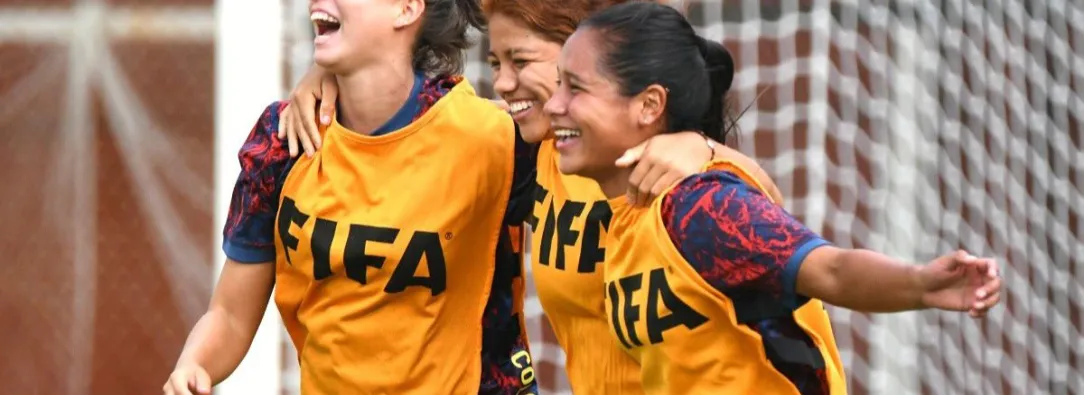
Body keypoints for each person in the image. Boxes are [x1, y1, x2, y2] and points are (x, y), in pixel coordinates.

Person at [279, 2, 842, 394]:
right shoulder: (535, 156)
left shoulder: (687, 177)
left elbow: (794, 237)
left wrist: (704, 148)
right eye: (496, 63)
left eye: (521, 62)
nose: (502, 84)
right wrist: (330, 74)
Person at [544, 2, 1003, 394]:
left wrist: (921, 284)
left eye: (575, 88)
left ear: (649, 105)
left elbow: (832, 269)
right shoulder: (628, 218)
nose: (553, 105)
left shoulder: (700, 208)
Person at [163, 0, 540, 394]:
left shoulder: (490, 137)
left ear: (407, 9)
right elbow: (229, 314)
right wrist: (194, 365)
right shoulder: (283, 140)